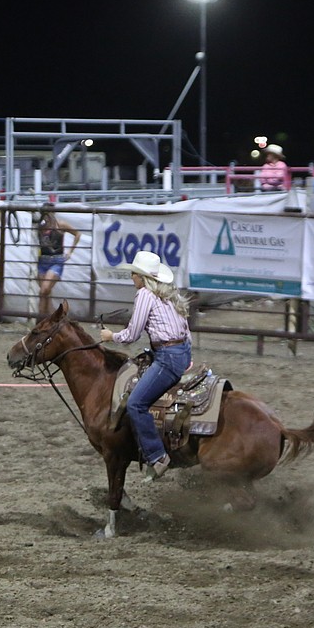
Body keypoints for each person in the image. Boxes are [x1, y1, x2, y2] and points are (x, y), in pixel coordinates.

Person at [98, 249, 192, 482]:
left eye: (134, 274)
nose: (132, 277)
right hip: (180, 350)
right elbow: (185, 331)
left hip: (167, 356)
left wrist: (111, 336)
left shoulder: (144, 295)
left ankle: (157, 456)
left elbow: (132, 334)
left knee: (136, 404)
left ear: (142, 277)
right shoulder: (167, 295)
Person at [35, 205, 81, 315]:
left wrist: (70, 251)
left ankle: (44, 320)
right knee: (45, 293)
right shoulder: (40, 226)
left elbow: (77, 234)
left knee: (44, 290)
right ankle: (47, 320)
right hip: (43, 260)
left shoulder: (60, 224)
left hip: (56, 260)